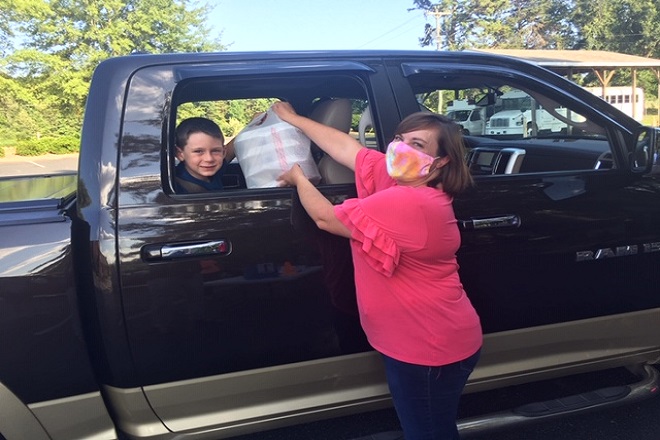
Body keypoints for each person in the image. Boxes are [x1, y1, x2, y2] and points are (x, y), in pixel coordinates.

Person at [272, 101, 483, 440]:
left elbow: (327, 218)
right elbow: (347, 148)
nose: (400, 149)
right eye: (399, 139)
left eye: (417, 145)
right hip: (422, 342)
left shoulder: (411, 202)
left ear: (441, 161)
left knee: (428, 432)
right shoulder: (405, 182)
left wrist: (299, 178)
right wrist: (293, 119)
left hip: (427, 349)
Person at [174, 117, 235, 193]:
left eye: (215, 151)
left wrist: (252, 124)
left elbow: (235, 145)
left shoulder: (212, 171)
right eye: (198, 151)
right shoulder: (176, 187)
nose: (209, 159)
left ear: (223, 152)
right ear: (180, 154)